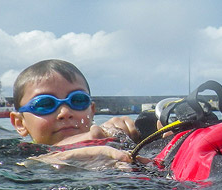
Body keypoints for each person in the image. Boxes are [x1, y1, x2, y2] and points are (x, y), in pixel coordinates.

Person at [9, 59, 140, 169]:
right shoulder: (16, 162)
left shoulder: (112, 141)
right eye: (45, 104)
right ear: (20, 123)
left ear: (92, 111)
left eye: (77, 100)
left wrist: (125, 136)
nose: (65, 113)